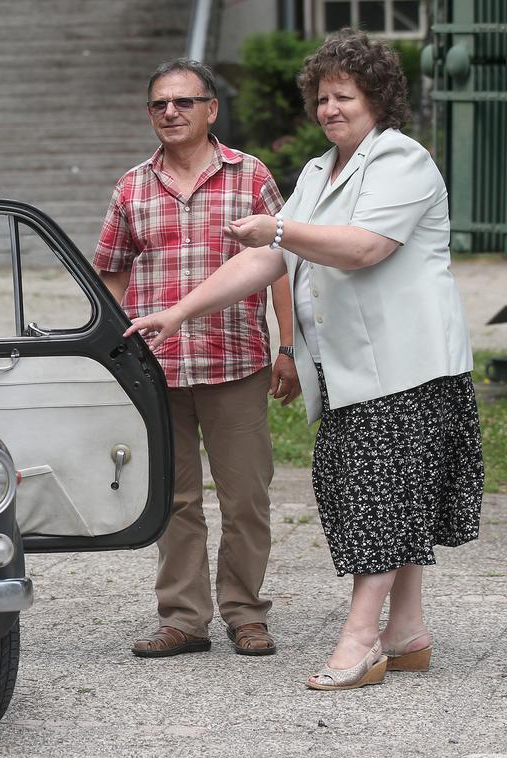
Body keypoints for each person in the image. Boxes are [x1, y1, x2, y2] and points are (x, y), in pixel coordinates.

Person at [125, 30, 484, 689]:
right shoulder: (321, 171)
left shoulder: (402, 160)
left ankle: (359, 641)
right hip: (351, 372)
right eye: (321, 97)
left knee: (378, 504)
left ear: (377, 98)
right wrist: (181, 310)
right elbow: (269, 260)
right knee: (380, 499)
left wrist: (280, 229)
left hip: (410, 367)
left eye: (343, 96)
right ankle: (406, 630)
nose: (329, 109)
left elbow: (364, 247)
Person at [95, 58, 299, 659]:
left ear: (211, 109)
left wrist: (287, 346)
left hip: (234, 361)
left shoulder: (251, 176)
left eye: (184, 102)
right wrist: (113, 352)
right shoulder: (132, 187)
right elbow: (110, 270)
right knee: (175, 498)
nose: (171, 113)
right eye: (159, 104)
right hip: (157, 368)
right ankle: (184, 618)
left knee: (246, 497)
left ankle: (245, 612)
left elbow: (283, 262)